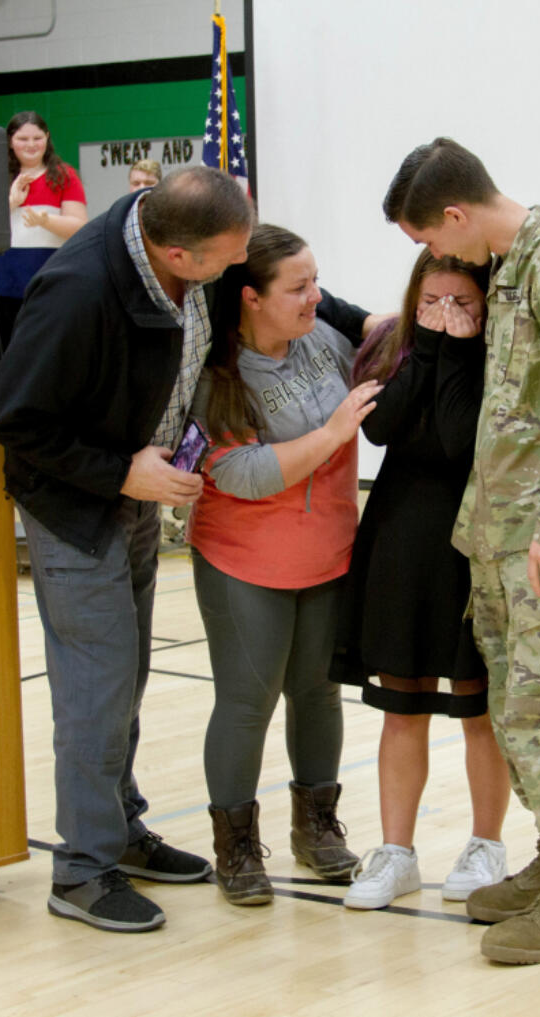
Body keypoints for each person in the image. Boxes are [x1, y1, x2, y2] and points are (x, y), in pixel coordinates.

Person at [0, 166, 254, 935]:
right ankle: (81, 869)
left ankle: (121, 827)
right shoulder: (78, 289)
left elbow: (256, 265)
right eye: (225, 261)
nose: (237, 270)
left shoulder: (191, 240)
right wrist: (118, 471)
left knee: (128, 673)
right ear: (177, 253)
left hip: (137, 487)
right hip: (75, 502)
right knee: (96, 684)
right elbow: (12, 417)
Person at [382, 137, 540, 965]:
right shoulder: (512, 268)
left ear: (454, 214)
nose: (435, 258)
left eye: (429, 240)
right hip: (499, 536)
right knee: (519, 709)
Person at [187, 224, 379, 906]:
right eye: (298, 287)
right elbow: (241, 472)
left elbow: (379, 340)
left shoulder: (323, 340)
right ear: (250, 298)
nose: (316, 298)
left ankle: (317, 828)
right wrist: (332, 434)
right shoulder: (217, 375)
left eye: (315, 281)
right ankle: (235, 845)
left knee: (320, 693)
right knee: (246, 702)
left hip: (327, 556)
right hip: (245, 564)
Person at [332, 250, 513, 911]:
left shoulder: (498, 356)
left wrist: (458, 354)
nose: (445, 315)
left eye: (462, 303)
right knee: (401, 706)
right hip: (402, 539)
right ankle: (397, 851)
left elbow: (460, 437)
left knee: (478, 705)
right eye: (432, 301)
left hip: (471, 544)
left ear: (486, 305)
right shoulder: (394, 344)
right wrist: (430, 348)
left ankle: (485, 843)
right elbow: (383, 425)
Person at [0, 111, 87, 376]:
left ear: (47, 138)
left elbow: (78, 227)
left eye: (37, 138)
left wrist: (45, 220)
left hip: (49, 282)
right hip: (1, 286)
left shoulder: (64, 175)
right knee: (5, 358)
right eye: (23, 138)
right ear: (10, 141)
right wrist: (11, 203)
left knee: (45, 356)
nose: (31, 145)